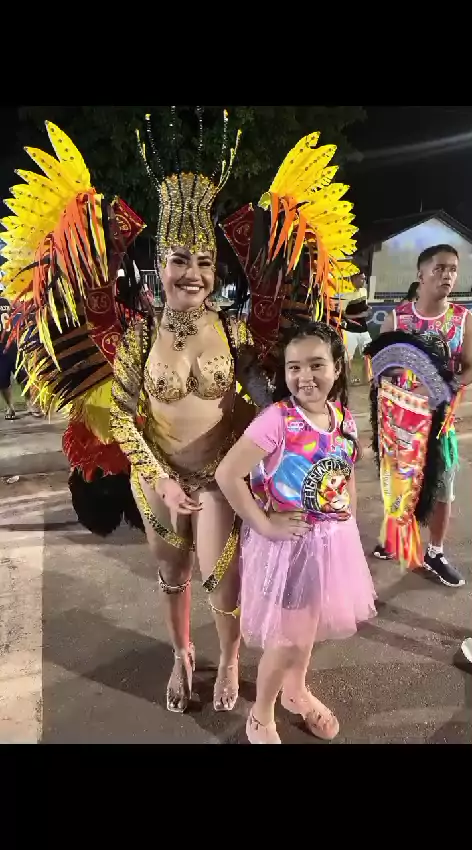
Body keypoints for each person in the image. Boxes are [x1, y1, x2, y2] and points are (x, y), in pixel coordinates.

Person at [2, 114, 360, 718]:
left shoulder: (235, 328)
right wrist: (160, 478)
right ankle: (181, 655)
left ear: (216, 270)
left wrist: (302, 429)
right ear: (160, 265)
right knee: (172, 578)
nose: (192, 273)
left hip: (220, 475)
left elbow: (262, 395)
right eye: (179, 259)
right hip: (158, 475)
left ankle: (232, 660)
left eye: (204, 262)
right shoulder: (139, 336)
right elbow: (122, 415)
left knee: (224, 581)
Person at [216, 323, 376, 744]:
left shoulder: (343, 418)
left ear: (337, 367)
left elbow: (346, 473)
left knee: (308, 627)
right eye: (294, 367)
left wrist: (349, 523)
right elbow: (228, 474)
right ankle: (261, 714)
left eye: (316, 365)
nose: (306, 376)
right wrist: (265, 523)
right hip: (290, 549)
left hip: (331, 545)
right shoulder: (277, 421)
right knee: (288, 639)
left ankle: (296, 690)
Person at [373, 245, 472, 587]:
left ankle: (435, 551)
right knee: (396, 484)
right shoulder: (397, 318)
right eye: (440, 268)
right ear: (421, 273)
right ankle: (394, 538)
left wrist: (441, 388)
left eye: (453, 269)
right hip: (399, 423)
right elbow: (380, 367)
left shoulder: (463, 319)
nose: (447, 275)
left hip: (440, 424)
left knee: (442, 487)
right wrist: (397, 387)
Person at [342, 269, 372, 384]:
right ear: (353, 279)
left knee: (369, 353)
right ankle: (348, 379)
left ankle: (369, 378)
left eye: (364, 278)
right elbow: (342, 315)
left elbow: (364, 306)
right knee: (348, 357)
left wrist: (368, 309)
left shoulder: (364, 291)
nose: (364, 281)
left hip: (364, 329)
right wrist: (360, 315)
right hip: (349, 331)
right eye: (361, 278)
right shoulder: (346, 294)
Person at [0, 293, 17, 419]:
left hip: (13, 343)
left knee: (24, 375)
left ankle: (32, 403)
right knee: (2, 379)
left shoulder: (7, 299)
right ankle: (10, 407)